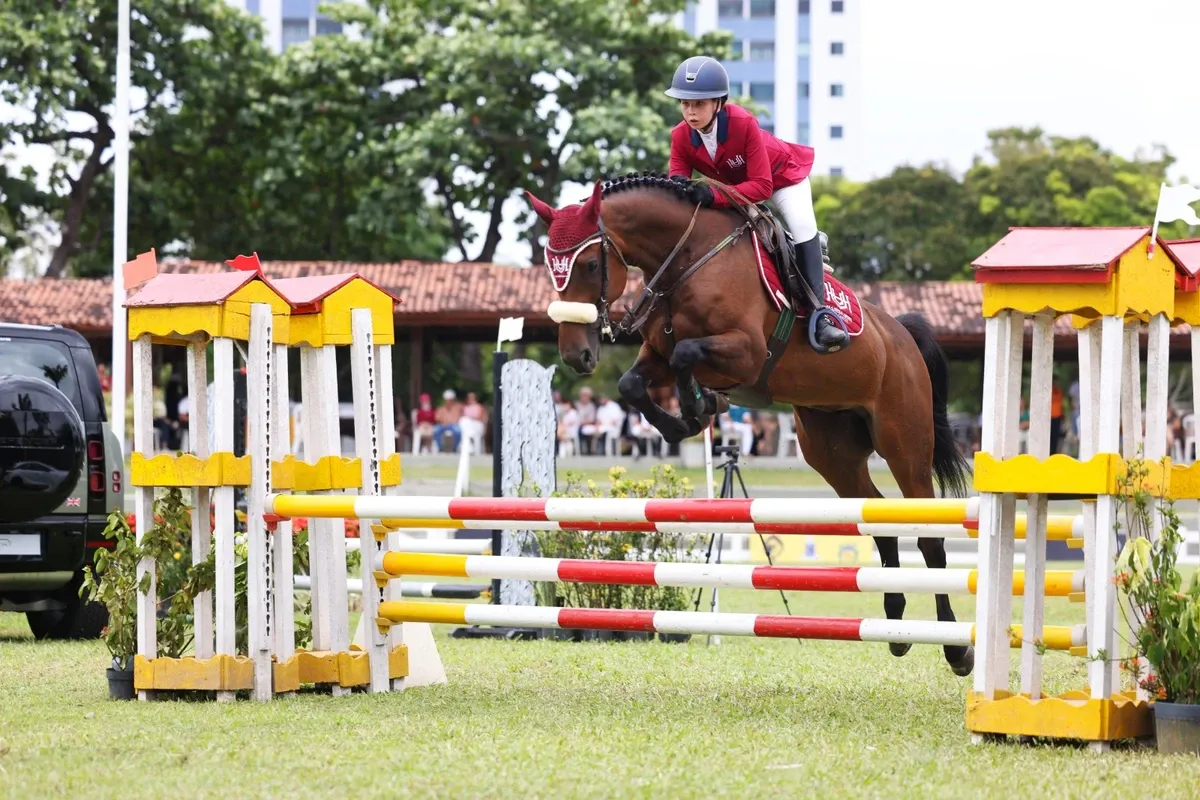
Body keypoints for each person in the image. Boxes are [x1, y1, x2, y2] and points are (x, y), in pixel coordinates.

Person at [664, 55, 848, 352]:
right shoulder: (681, 137)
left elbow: (762, 186)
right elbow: (677, 184)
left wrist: (713, 195)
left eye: (698, 104)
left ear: (718, 104)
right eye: (685, 104)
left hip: (781, 178)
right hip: (737, 188)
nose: (690, 112)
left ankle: (820, 316)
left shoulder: (742, 122)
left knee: (801, 227)